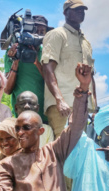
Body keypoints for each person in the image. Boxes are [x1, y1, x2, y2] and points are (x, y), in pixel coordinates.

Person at [0, 63, 91, 191]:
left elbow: (75, 126)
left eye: (26, 128)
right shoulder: (6, 164)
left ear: (40, 131)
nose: (20, 132)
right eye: (17, 128)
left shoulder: (54, 152)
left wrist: (83, 88)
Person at [41, 0, 97, 138]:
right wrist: (59, 100)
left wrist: (94, 107)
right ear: (66, 12)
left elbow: (91, 77)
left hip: (83, 106)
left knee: (79, 149)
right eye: (76, 9)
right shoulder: (57, 34)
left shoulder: (86, 43)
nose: (80, 12)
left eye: (82, 10)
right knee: (63, 150)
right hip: (63, 105)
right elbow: (48, 69)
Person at [4, 15, 53, 123]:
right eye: (36, 30)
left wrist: (36, 61)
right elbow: (7, 90)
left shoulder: (48, 53)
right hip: (21, 117)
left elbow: (53, 83)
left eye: (42, 31)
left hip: (44, 116)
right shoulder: (12, 52)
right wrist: (15, 61)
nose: (39, 34)